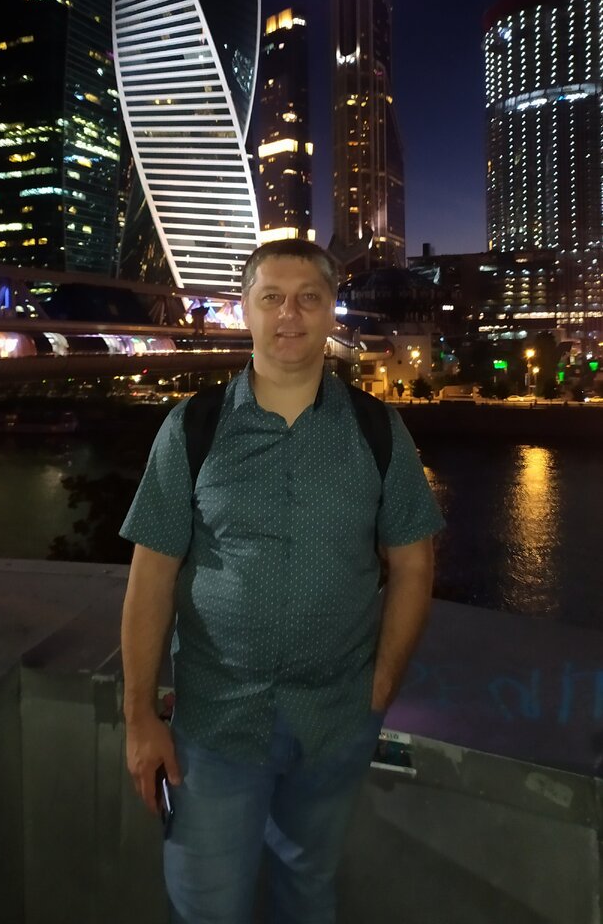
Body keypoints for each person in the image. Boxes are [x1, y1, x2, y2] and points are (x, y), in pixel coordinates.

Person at [119, 238, 444, 924]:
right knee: (208, 907)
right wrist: (139, 714)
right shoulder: (193, 428)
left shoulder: (378, 430)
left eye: (308, 299)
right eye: (271, 298)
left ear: (331, 312)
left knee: (307, 889)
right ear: (246, 310)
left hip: (337, 719)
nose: (289, 315)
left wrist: (381, 686)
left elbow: (414, 563)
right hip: (217, 721)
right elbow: (151, 574)